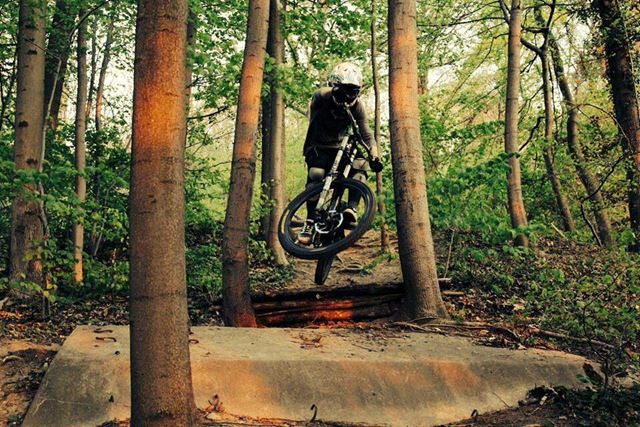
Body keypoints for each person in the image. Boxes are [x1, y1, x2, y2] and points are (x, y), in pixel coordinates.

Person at [298, 62, 379, 245]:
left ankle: (351, 209)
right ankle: (309, 222)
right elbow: (319, 95)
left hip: (341, 148)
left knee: (361, 164)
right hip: (318, 146)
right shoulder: (322, 97)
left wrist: (374, 155)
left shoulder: (357, 106)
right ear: (334, 87)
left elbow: (366, 134)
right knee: (316, 173)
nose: (348, 96)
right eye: (344, 90)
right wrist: (335, 92)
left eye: (353, 91)